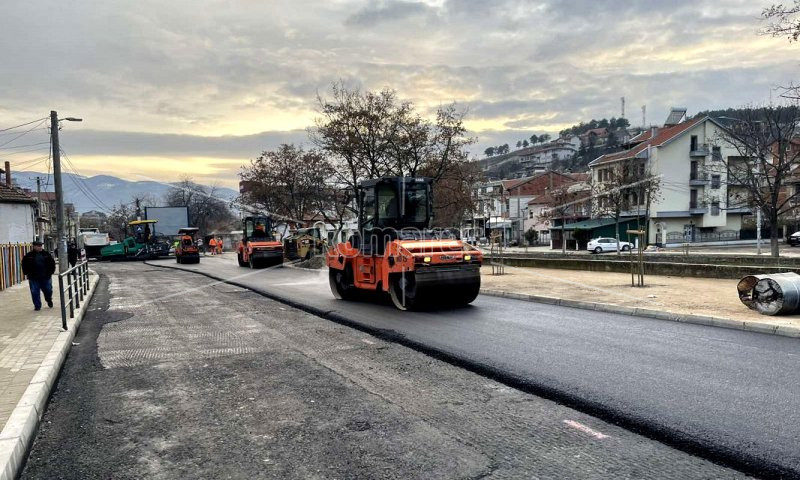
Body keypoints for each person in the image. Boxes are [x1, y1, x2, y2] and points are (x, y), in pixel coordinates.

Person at [21, 241, 56, 311]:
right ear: (34, 246)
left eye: (40, 246)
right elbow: (24, 264)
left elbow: (52, 263)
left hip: (46, 277)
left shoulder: (46, 254)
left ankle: (49, 299)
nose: (40, 247)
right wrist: (26, 273)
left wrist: (51, 272)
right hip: (33, 278)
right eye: (38, 246)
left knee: (48, 290)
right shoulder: (29, 256)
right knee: (34, 292)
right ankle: (37, 306)